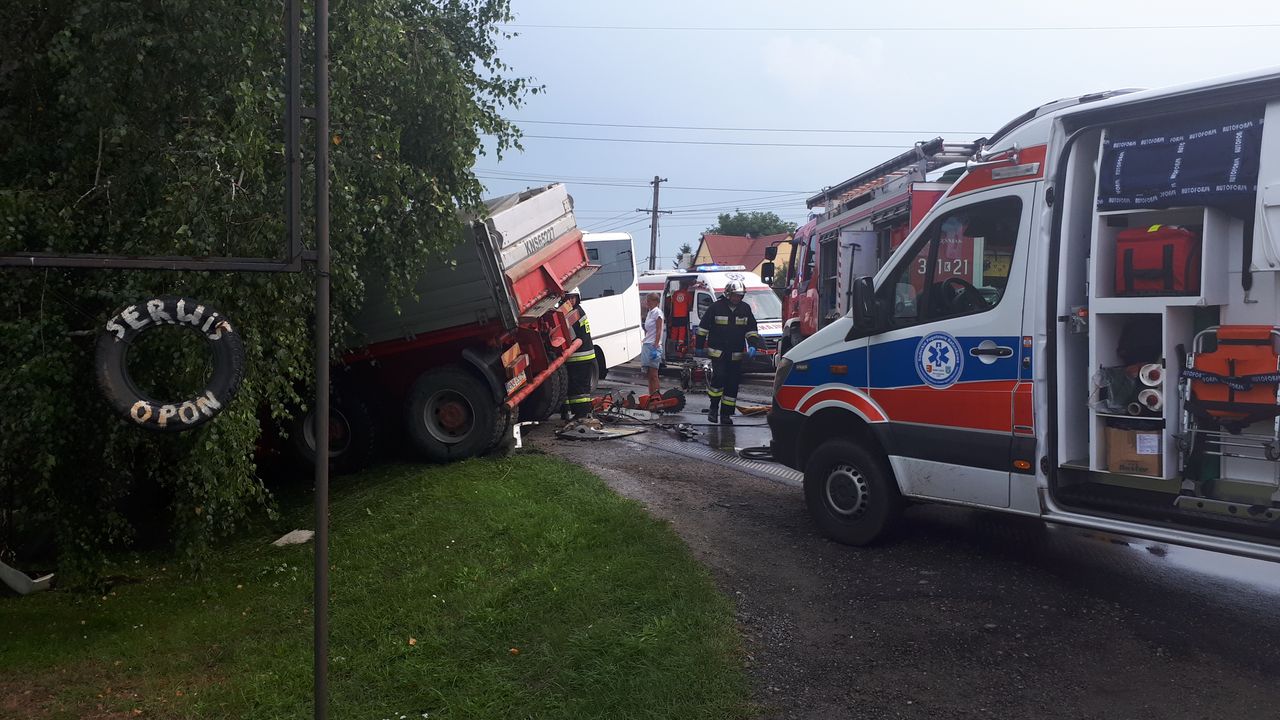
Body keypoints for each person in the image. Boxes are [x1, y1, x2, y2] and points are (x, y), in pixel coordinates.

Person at [694, 280, 764, 425]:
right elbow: (703, 328)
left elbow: (751, 329)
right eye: (735, 295)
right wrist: (699, 346)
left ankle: (726, 414)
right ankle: (713, 408)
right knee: (719, 377)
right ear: (728, 294)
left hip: (736, 354)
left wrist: (752, 346)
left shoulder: (745, 309)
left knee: (732, 384)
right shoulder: (716, 307)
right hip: (718, 352)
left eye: (739, 296)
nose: (737, 298)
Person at [562, 298, 601, 430]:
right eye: (568, 298)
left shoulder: (573, 313)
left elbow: (570, 336)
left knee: (580, 390)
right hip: (582, 355)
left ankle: (582, 414)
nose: (570, 301)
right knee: (574, 387)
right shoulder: (578, 310)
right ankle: (574, 413)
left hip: (579, 356)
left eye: (572, 298)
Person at [640, 292, 664, 397]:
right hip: (647, 344)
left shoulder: (657, 313)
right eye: (647, 301)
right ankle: (651, 396)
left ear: (655, 302)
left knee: (654, 374)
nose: (647, 303)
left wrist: (655, 345)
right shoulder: (650, 312)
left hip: (653, 345)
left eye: (649, 301)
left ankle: (657, 396)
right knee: (649, 374)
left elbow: (659, 330)